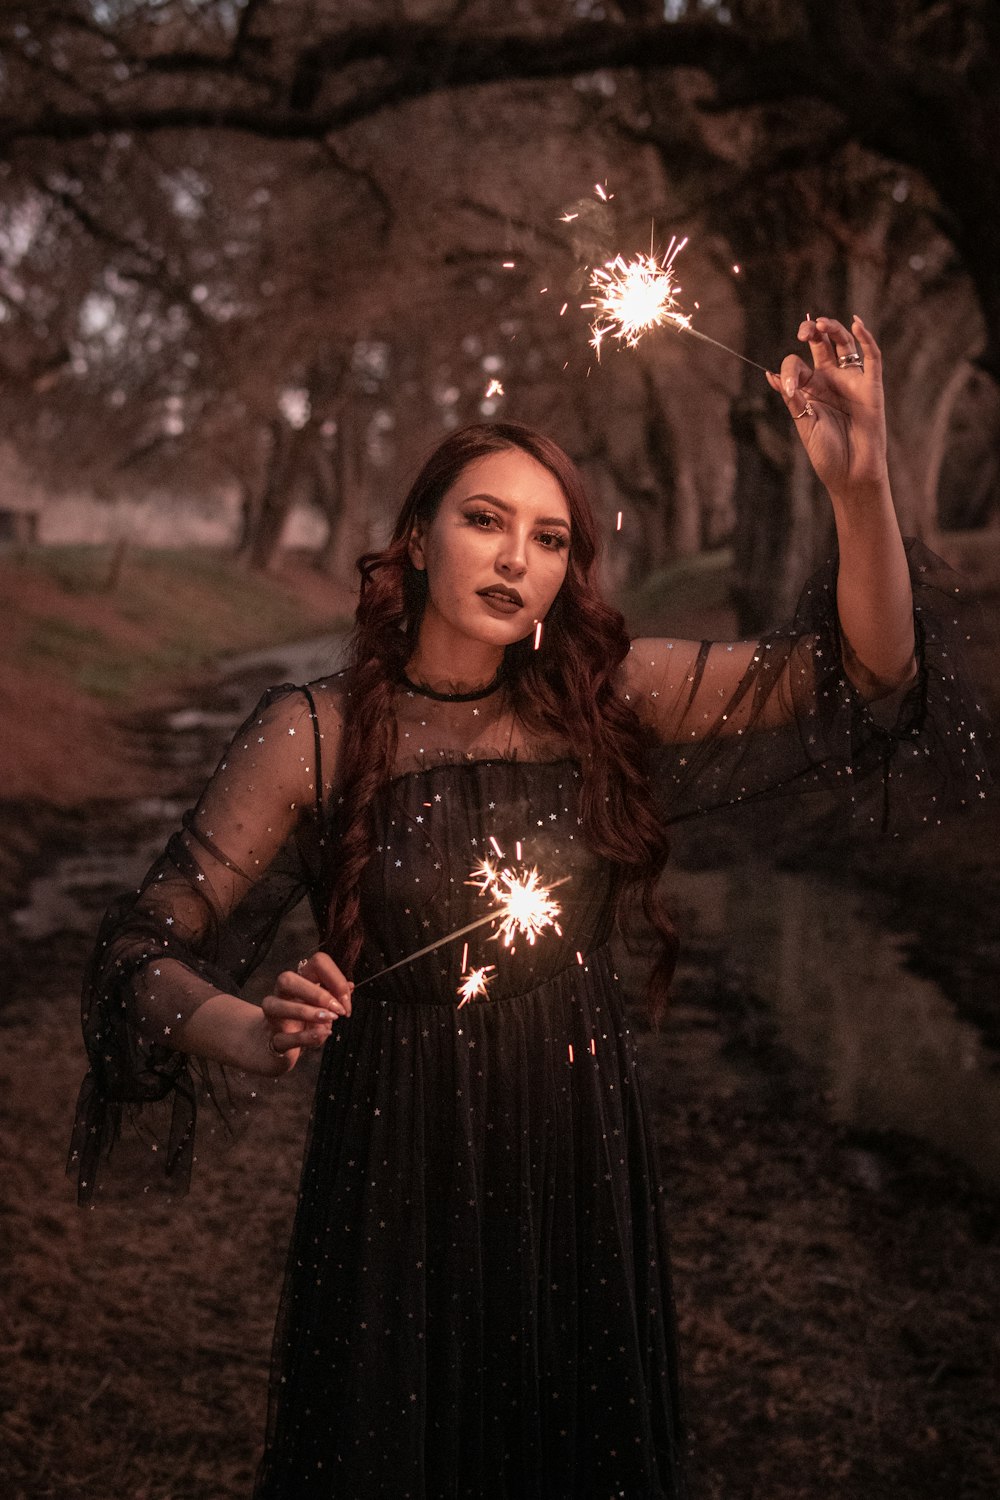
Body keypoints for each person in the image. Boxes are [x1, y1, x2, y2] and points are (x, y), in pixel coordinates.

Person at [70, 315, 986, 1499]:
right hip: (395, 1151)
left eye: (548, 538)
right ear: (417, 536)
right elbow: (135, 951)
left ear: (569, 570)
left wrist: (860, 490)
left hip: (573, 1135)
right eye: (485, 520)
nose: (515, 558)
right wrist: (243, 1029)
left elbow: (868, 678)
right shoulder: (317, 734)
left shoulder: (606, 702)